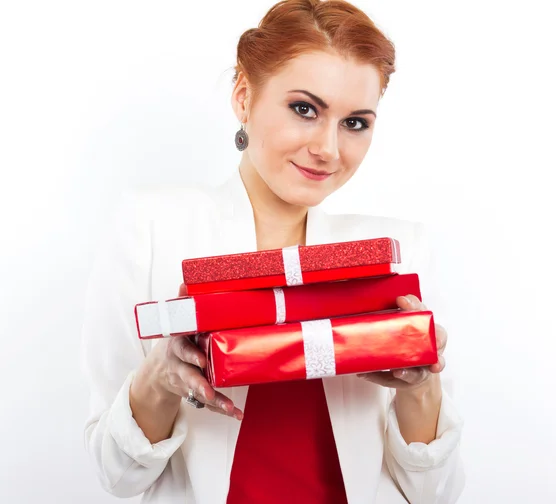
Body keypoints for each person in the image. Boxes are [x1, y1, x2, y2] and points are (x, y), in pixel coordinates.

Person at [81, 0, 465, 502]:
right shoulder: (150, 229)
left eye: (355, 123)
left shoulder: (399, 255)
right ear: (244, 96)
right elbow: (118, 476)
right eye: (305, 109)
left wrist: (422, 386)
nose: (328, 147)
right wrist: (159, 377)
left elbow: (435, 492)